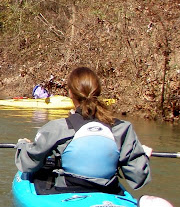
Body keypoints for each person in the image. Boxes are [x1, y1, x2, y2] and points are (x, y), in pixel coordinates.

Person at [14, 66, 152, 194]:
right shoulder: (122, 129)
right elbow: (139, 176)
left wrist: (22, 145)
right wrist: (142, 156)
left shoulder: (56, 128)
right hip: (109, 190)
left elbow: (27, 164)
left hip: (66, 190)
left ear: (70, 93)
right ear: (98, 92)